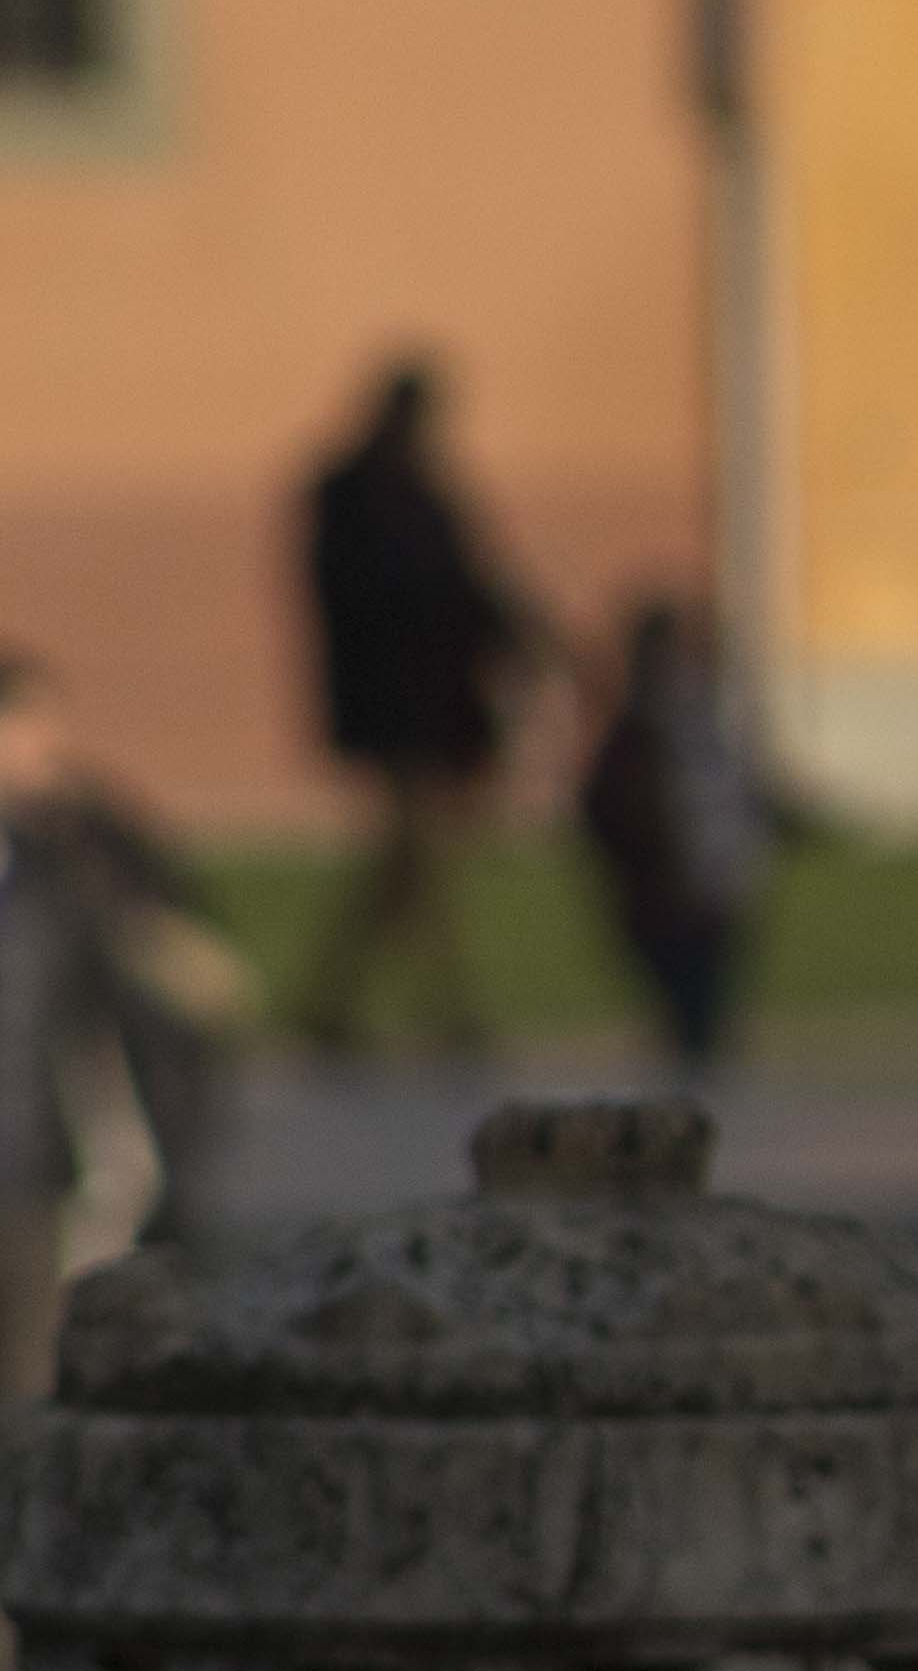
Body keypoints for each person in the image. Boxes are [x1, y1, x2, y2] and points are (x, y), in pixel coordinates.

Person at [0, 650, 248, 1397]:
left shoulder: (78, 851)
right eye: (24, 725)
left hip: (29, 1173)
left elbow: (189, 990)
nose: (45, 747)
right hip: (29, 1159)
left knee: (27, 1395)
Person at [289, 356, 538, 1057]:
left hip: (426, 707)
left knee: (403, 863)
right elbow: (407, 599)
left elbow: (471, 586)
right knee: (419, 858)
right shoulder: (365, 496)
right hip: (402, 709)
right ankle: (445, 1011)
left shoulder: (406, 493)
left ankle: (331, 1003)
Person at [576, 596, 815, 1073]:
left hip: (718, 890)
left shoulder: (707, 717)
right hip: (673, 898)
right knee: (692, 1028)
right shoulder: (646, 730)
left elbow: (741, 794)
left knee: (704, 1030)